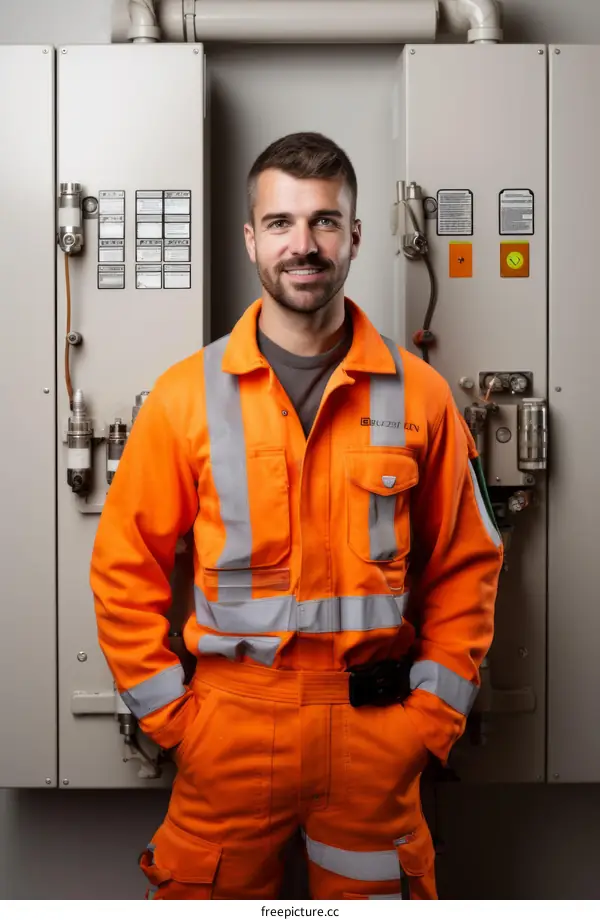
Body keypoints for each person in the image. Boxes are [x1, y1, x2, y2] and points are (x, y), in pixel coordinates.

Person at [90, 131, 503, 901]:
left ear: (354, 235)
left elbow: (467, 567)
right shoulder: (185, 396)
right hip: (229, 727)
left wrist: (428, 723)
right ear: (251, 238)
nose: (302, 245)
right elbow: (124, 567)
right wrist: (177, 724)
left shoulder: (422, 398)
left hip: (377, 734)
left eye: (323, 221)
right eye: (280, 223)